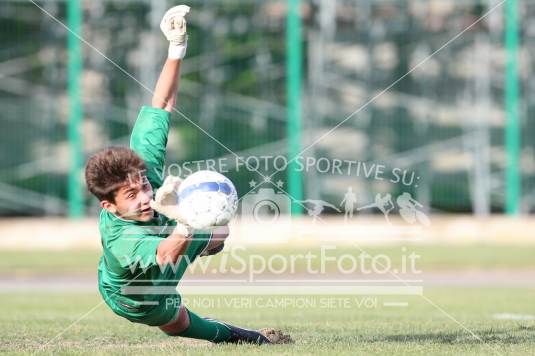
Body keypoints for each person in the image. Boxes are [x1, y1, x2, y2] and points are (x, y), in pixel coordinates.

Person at [84, 5, 270, 344]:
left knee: (220, 234)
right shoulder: (120, 239)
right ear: (108, 206)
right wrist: (186, 220)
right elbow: (166, 255)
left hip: (175, 233)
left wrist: (176, 48)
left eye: (142, 186)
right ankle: (241, 338)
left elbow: (162, 105)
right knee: (176, 320)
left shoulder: (142, 174)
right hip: (135, 295)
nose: (144, 196)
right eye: (131, 195)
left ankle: (203, 244)